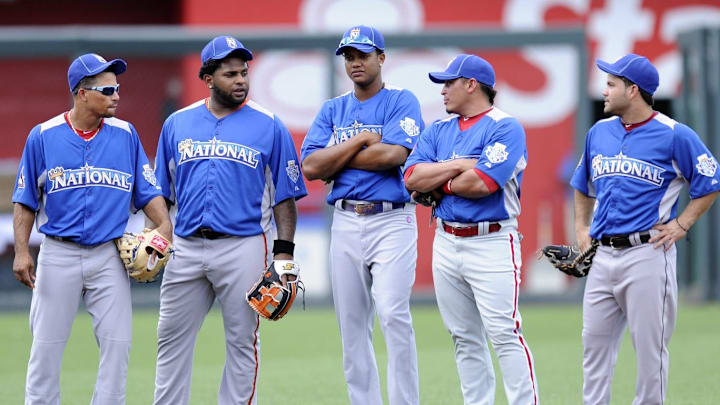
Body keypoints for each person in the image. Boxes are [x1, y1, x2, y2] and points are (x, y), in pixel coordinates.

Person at [152, 35, 307, 405]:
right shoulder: (176, 124)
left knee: (242, 341)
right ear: (207, 77)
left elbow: (286, 195)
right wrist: (155, 233)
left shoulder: (270, 125)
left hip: (244, 246)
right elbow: (161, 192)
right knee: (170, 338)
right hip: (186, 248)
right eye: (230, 74)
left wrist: (283, 254)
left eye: (244, 72)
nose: (240, 80)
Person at [12, 53, 172, 405]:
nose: (117, 95)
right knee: (45, 349)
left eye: (118, 88)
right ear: (82, 92)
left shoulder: (126, 134)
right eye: (108, 89)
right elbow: (25, 199)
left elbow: (148, 191)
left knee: (118, 347)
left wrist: (164, 226)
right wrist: (22, 250)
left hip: (109, 254)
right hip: (58, 253)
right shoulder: (43, 136)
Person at [571, 54, 720, 405]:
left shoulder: (673, 134)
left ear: (633, 90)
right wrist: (581, 227)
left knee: (650, 355)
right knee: (593, 353)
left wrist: (683, 223)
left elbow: (710, 180)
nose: (604, 91)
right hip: (602, 256)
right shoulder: (599, 132)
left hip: (647, 255)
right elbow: (582, 184)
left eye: (611, 84)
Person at [403, 54, 539, 405]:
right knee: (464, 337)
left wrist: (441, 180)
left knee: (505, 333)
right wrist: (460, 165)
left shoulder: (504, 126)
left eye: (449, 83)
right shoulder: (438, 129)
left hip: (492, 239)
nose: (443, 90)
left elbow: (481, 184)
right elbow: (412, 178)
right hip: (446, 239)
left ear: (471, 84)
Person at [301, 25, 423, 405]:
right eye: (349, 56)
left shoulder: (401, 100)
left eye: (363, 55)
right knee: (351, 326)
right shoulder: (333, 108)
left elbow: (393, 155)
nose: (355, 62)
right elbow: (310, 165)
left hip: (392, 219)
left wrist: (337, 157)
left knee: (392, 314)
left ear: (381, 58)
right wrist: (359, 140)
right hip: (347, 220)